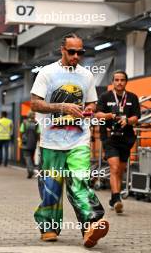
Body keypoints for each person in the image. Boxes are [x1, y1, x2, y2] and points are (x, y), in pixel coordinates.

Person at [30, 33, 109, 247]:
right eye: (72, 52)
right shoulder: (47, 73)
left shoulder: (86, 75)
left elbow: (92, 103)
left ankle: (91, 225)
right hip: (50, 141)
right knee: (51, 187)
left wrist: (89, 110)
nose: (76, 56)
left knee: (80, 181)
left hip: (79, 140)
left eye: (80, 52)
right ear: (62, 50)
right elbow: (35, 104)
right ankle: (48, 227)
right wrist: (62, 107)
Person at [96, 70, 141, 214]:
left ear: (126, 82)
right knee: (114, 168)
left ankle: (113, 197)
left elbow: (136, 117)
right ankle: (117, 200)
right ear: (112, 82)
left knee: (120, 170)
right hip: (109, 138)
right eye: (116, 80)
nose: (119, 82)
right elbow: (98, 115)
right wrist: (111, 115)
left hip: (126, 138)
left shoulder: (132, 97)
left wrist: (126, 120)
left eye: (122, 80)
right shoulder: (105, 96)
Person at [20, 111, 40, 178]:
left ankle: (30, 170)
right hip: (33, 143)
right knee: (31, 157)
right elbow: (38, 133)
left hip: (25, 143)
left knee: (27, 157)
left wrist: (21, 139)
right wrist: (38, 141)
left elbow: (21, 131)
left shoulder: (24, 122)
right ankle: (30, 170)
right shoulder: (36, 123)